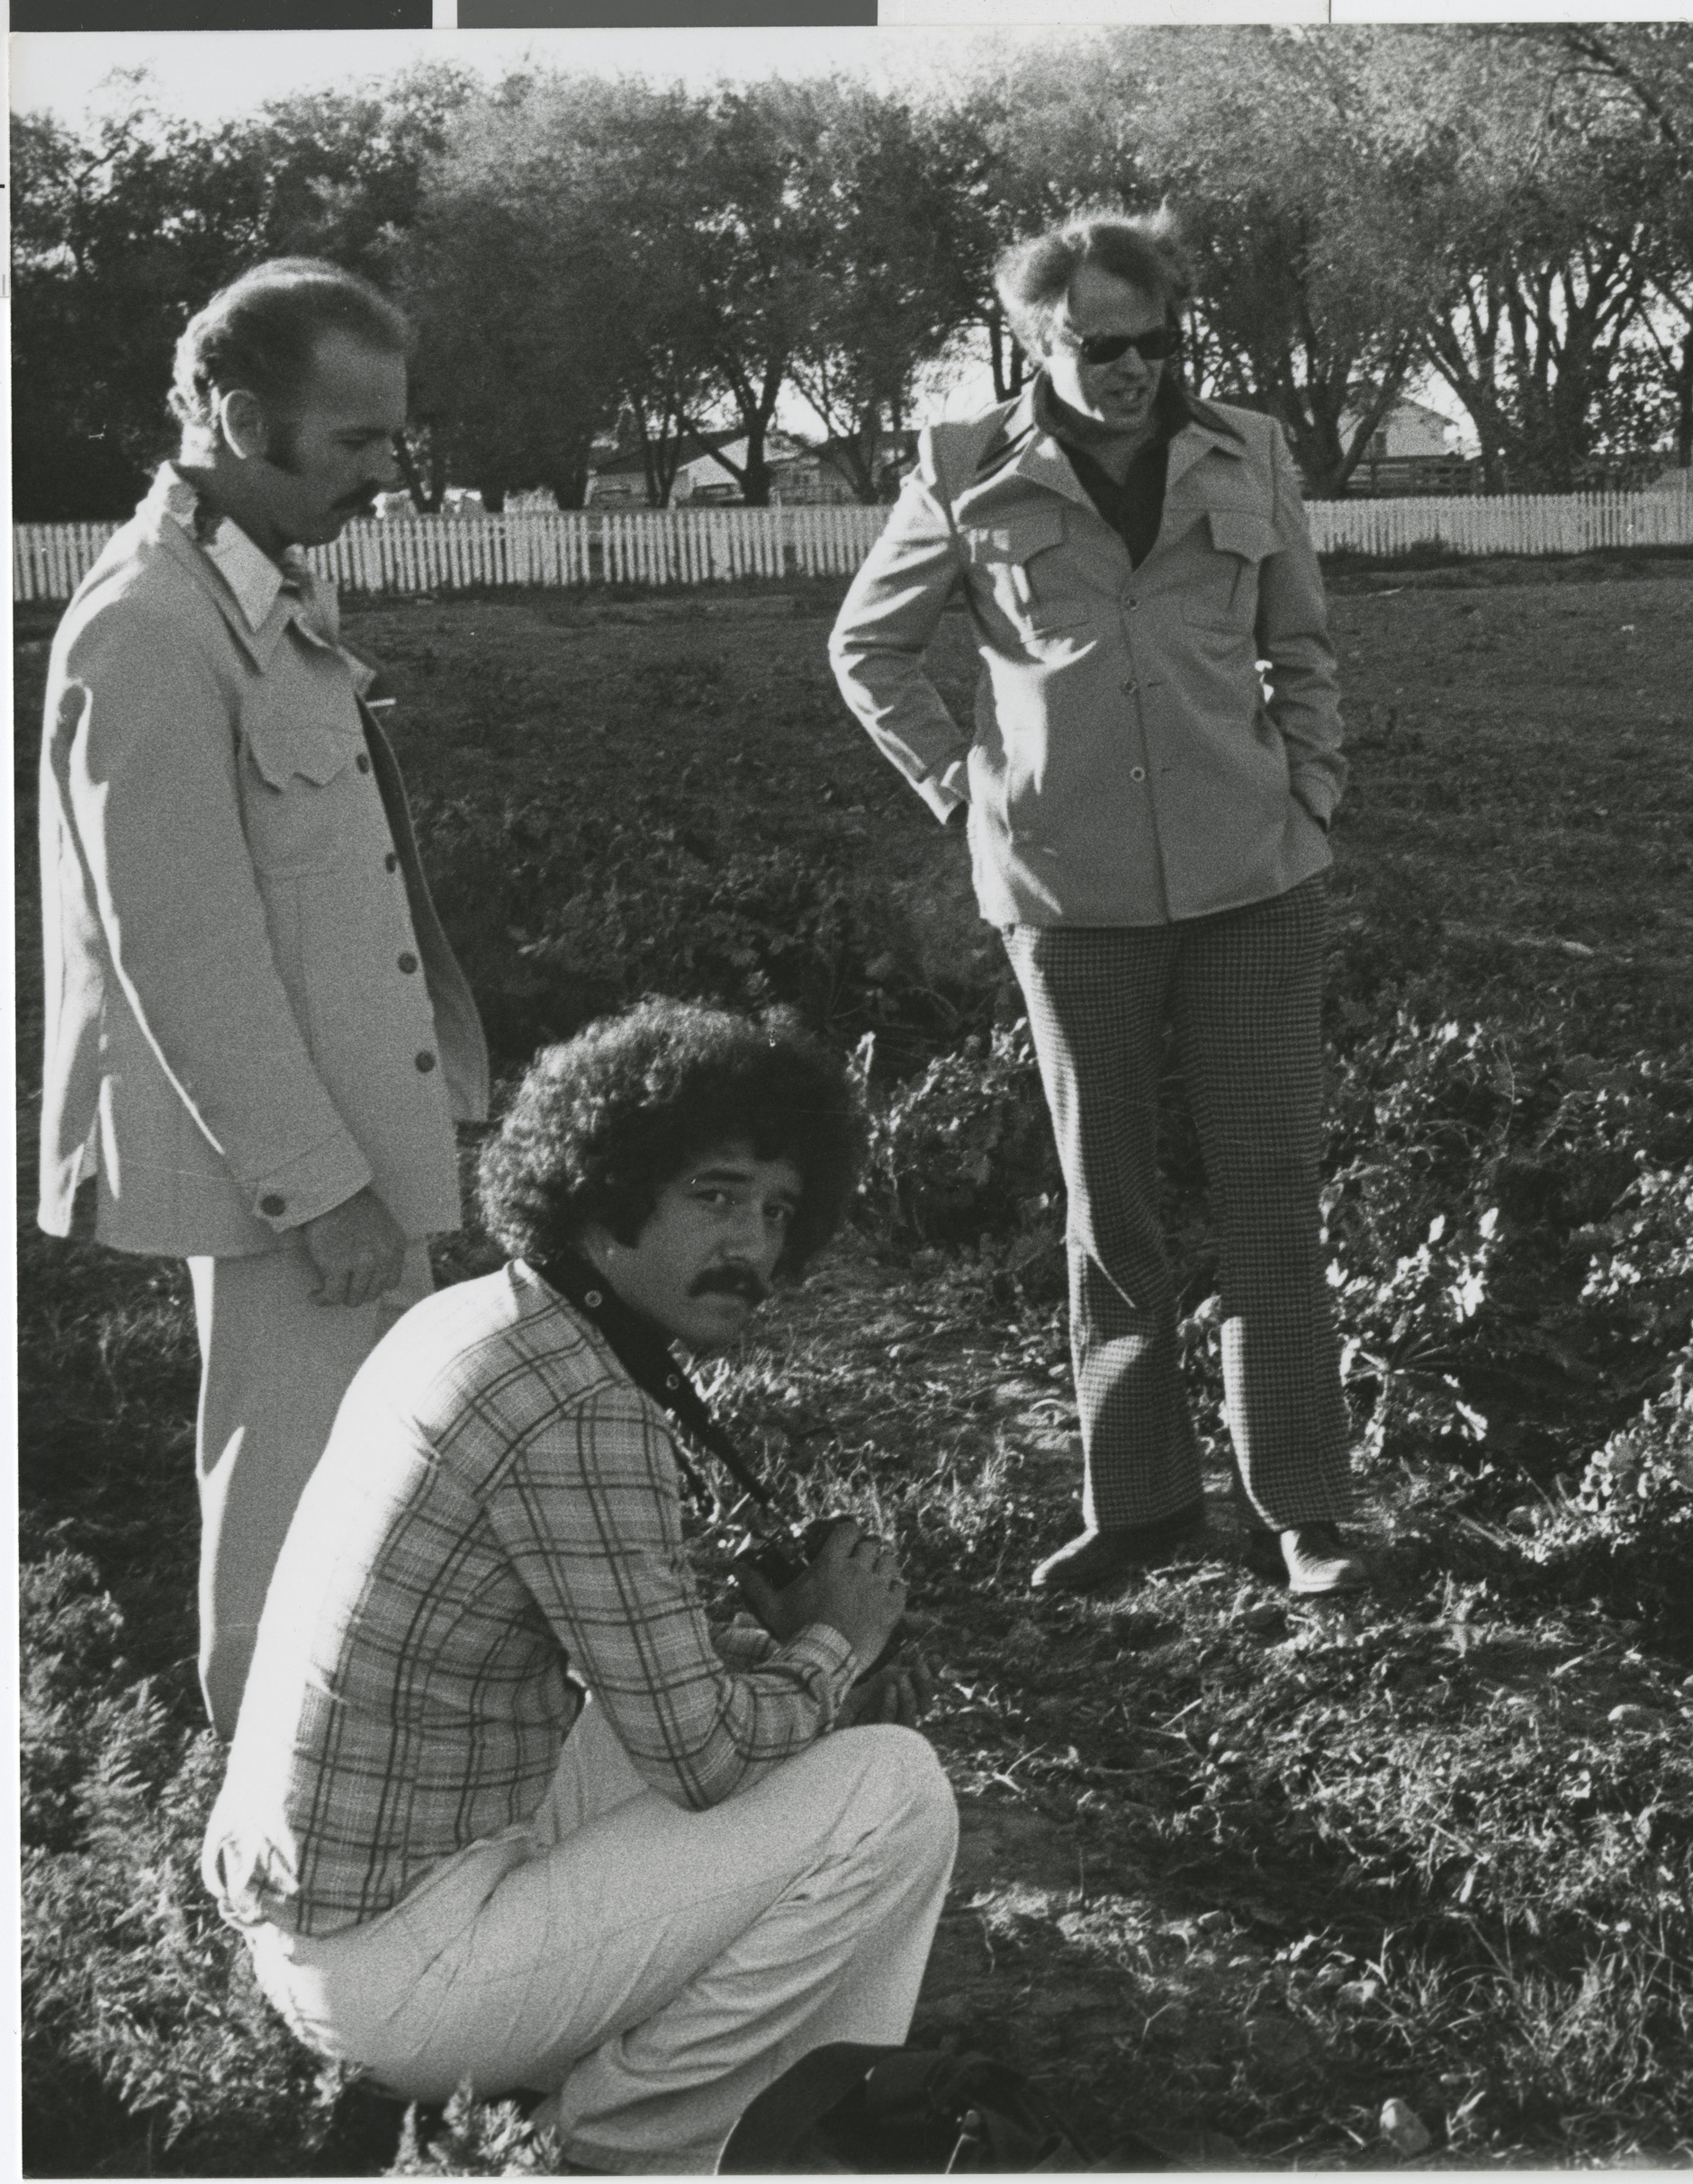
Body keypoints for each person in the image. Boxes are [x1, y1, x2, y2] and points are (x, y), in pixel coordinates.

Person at [201, 1001, 959, 2173]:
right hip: (398, 1973)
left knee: (750, 1714)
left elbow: (637, 1679)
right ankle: (623, 2142)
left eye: (776, 1211)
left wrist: (772, 1646)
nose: (751, 1244)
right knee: (893, 1789)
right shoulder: (581, 1403)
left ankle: (692, 2079)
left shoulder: (486, 1313)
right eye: (714, 1194)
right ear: (607, 1178)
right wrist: (834, 1642)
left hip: (322, 1912)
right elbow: (703, 1758)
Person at [828, 210, 1363, 1596]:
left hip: (1255, 880)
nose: (1135, 370)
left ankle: (1300, 1507)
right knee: (1107, 1204)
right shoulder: (963, 468)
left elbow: (1299, 642)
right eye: (1100, 347)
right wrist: (967, 794)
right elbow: (868, 648)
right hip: (1068, 899)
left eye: (1157, 342)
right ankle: (1139, 1507)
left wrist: (1311, 798)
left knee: (1270, 1196)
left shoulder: (1246, 450)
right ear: (1035, 339)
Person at [35, 257, 487, 1739]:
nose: (386, 471)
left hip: (353, 1145)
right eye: (357, 439)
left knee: (373, 1495)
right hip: (293, 1180)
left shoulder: (257, 585)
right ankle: (269, 1842)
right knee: (293, 1509)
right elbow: (183, 952)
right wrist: (320, 1187)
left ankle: (350, 1801)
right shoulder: (149, 629)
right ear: (239, 418)